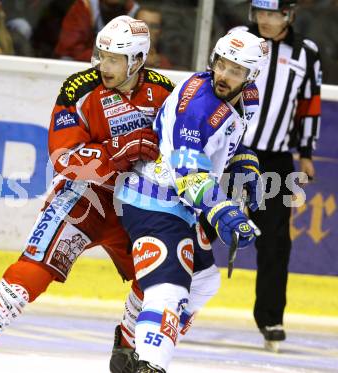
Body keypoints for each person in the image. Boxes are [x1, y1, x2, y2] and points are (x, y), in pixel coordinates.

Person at [0, 15, 173, 373]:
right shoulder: (78, 88)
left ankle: (127, 348)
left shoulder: (164, 91)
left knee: (156, 274)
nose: (103, 65)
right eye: (101, 55)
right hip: (82, 200)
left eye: (114, 59)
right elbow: (64, 157)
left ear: (138, 60)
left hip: (137, 203)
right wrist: (118, 150)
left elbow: (178, 147)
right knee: (34, 269)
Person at [115, 29, 268, 372]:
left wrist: (245, 162)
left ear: (252, 77)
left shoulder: (247, 98)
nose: (225, 75)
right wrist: (223, 211)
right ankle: (150, 363)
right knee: (170, 287)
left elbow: (225, 142)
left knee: (203, 282)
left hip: (180, 203)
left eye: (236, 70)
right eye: (222, 65)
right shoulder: (195, 106)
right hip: (152, 197)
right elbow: (189, 173)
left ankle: (128, 347)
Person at [235, 0, 322, 352]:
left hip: (275, 159)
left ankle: (270, 317)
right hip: (231, 150)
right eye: (261, 12)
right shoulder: (237, 38)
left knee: (274, 241)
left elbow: (309, 103)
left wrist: (307, 153)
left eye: (273, 14)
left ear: (289, 15)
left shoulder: (306, 53)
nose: (265, 21)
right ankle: (176, 298)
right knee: (201, 224)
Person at [54, 0, 139, 60]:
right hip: (86, 64)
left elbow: (145, 54)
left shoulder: (136, 12)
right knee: (66, 59)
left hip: (123, 67)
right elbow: (69, 50)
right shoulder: (86, 5)